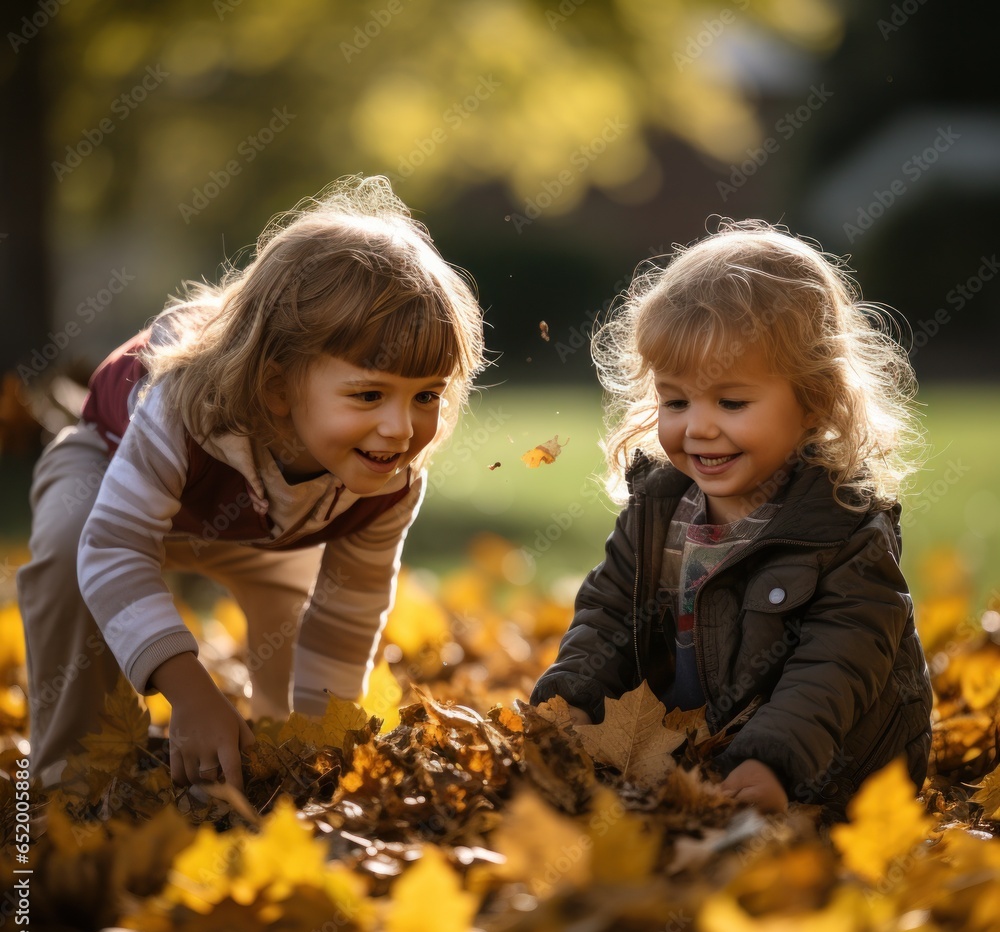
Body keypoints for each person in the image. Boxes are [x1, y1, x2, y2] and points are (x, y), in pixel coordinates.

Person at [19, 175, 485, 790]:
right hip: (112, 472)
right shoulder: (184, 409)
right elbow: (113, 548)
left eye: (426, 395)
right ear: (276, 387)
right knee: (70, 541)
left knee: (293, 685)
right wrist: (192, 696)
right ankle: (75, 778)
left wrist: (323, 753)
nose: (401, 429)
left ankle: (277, 756)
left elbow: (349, 611)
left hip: (259, 525)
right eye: (368, 394)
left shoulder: (387, 475)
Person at [530, 220, 932, 815]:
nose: (698, 426)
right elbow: (608, 616)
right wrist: (568, 705)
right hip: (697, 747)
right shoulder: (658, 510)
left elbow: (836, 667)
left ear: (814, 399)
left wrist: (771, 759)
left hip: (835, 769)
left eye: (732, 402)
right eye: (675, 400)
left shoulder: (844, 529)